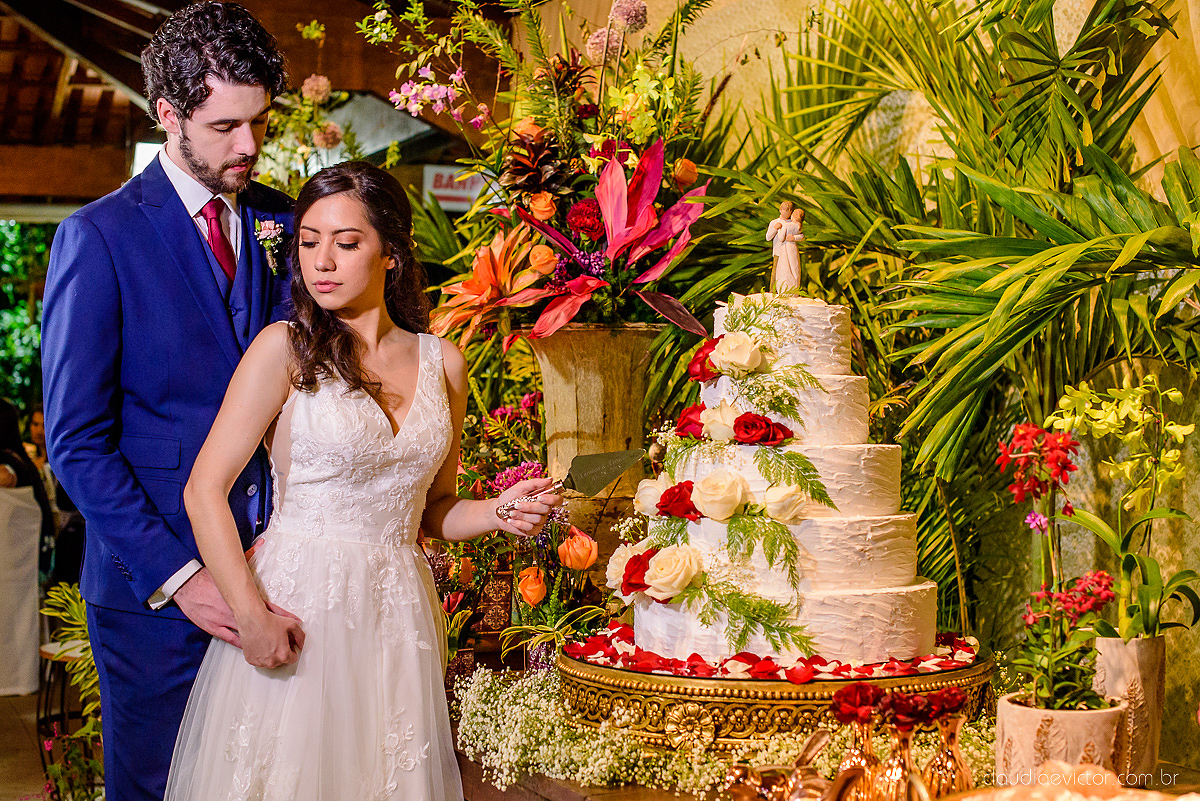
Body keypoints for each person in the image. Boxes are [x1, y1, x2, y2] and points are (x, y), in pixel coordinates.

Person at [163, 161, 561, 800]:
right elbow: (203, 488)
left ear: (392, 254)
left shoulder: (443, 364)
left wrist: (499, 511)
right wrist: (248, 614)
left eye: (345, 243)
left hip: (396, 611)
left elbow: (433, 507)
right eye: (309, 242)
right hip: (299, 605)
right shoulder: (283, 348)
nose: (322, 260)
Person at [40, 4, 292, 799]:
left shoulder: (288, 222)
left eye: (259, 122)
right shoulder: (99, 236)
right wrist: (184, 577)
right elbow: (77, 443)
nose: (248, 146)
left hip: (282, 572)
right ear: (168, 115)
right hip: (158, 599)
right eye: (224, 126)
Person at [0, 400, 55, 575]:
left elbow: (6, 477)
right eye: (35, 424)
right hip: (30, 553)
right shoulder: (22, 458)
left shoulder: (11, 461)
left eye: (43, 425)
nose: (39, 431)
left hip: (26, 558)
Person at [776, 207, 805, 292]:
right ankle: (794, 289)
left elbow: (781, 238)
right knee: (794, 267)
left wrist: (778, 229)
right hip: (793, 247)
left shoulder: (786, 225)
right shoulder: (799, 227)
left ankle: (784, 289)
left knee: (784, 267)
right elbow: (802, 237)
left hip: (785, 248)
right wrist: (794, 238)